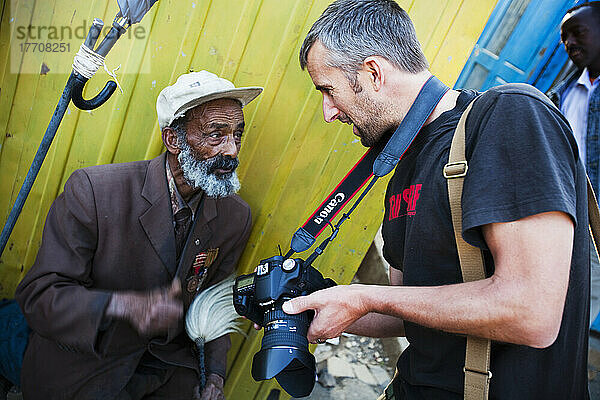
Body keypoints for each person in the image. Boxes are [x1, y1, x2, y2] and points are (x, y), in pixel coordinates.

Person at [281, 0, 590, 398]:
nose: (328, 112)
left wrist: (363, 294)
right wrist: (306, 310)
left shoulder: (509, 115)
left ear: (373, 72)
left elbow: (531, 312)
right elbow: (404, 310)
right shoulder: (402, 168)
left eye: (329, 91)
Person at [15, 71, 262, 399]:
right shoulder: (93, 191)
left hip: (166, 367)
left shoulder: (235, 216)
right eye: (216, 135)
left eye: (237, 135)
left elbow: (214, 303)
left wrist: (214, 374)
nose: (232, 150)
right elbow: (39, 297)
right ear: (173, 140)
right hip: (90, 364)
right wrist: (120, 305)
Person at [548, 2, 600, 328]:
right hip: (560, 212)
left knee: (576, 314)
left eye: (577, 33)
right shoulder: (564, 94)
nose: (569, 43)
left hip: (596, 229)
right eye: (564, 37)